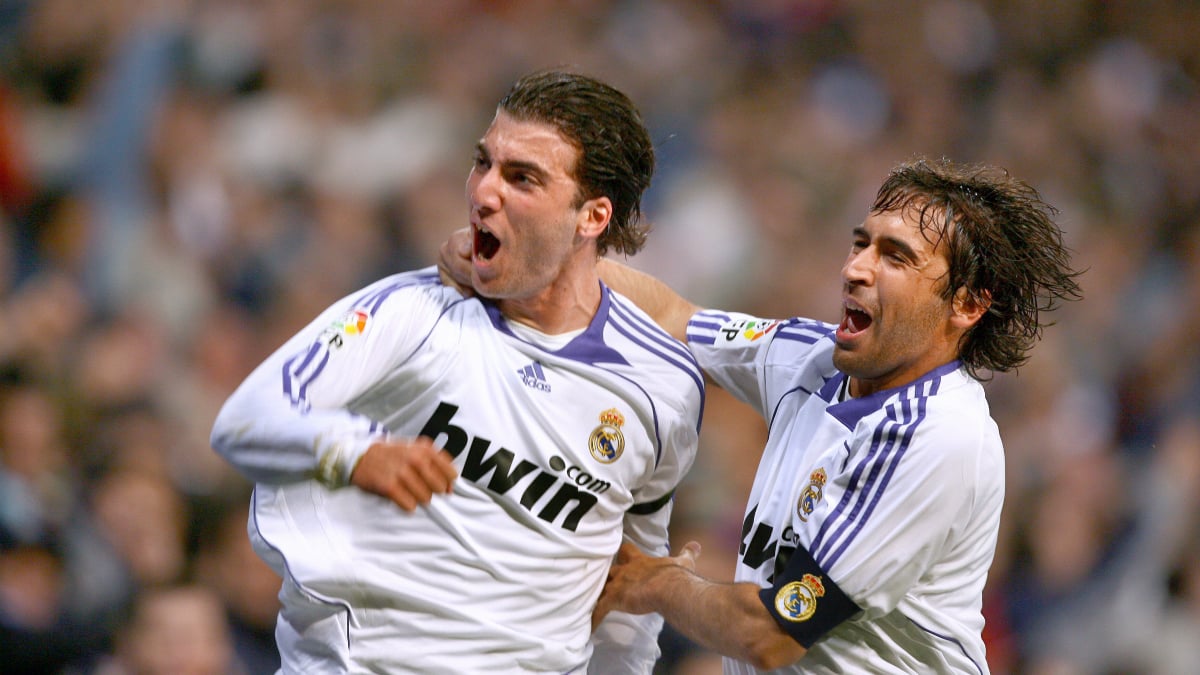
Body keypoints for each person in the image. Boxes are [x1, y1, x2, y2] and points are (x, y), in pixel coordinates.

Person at [446, 157, 1082, 672]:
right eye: (861, 243)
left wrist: (654, 582)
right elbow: (673, 317)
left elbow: (774, 632)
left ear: (967, 306)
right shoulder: (816, 362)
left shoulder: (941, 436)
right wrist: (534, 260)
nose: (855, 267)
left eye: (895, 256)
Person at [210, 70, 703, 674]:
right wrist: (351, 451)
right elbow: (244, 419)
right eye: (483, 163)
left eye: (521, 178)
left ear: (592, 217)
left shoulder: (662, 388)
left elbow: (629, 595)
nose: (483, 192)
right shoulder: (410, 312)